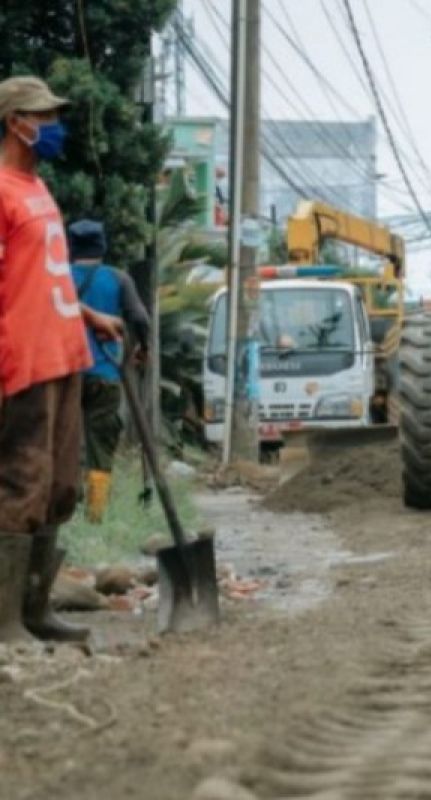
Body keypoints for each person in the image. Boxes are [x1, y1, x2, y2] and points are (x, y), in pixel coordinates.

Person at [0, 76, 124, 643]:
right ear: (14, 122)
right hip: (22, 360)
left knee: (60, 489)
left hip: (65, 355)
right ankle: (6, 624)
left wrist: (89, 316)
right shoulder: (1, 191)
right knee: (23, 485)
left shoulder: (38, 189)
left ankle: (35, 610)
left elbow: (42, 277)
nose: (52, 127)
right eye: (42, 116)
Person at [70, 219, 150, 523]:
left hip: (64, 375)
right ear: (102, 247)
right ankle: (94, 516)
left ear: (72, 247)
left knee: (66, 442)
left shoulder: (57, 279)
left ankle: (66, 510)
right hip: (106, 374)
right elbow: (140, 320)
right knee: (100, 446)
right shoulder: (118, 279)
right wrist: (143, 348)